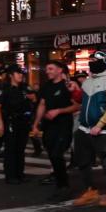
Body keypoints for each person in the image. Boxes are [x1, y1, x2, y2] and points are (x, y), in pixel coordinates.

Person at [72, 51, 106, 207]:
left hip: (104, 131)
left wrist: (100, 125)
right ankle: (91, 191)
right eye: (91, 59)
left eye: (95, 60)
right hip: (84, 129)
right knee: (83, 162)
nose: (91, 62)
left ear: (104, 62)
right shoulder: (87, 82)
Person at [31, 61, 80, 200]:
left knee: (57, 154)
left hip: (63, 126)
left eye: (51, 68)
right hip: (48, 126)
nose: (48, 71)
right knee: (52, 155)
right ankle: (60, 183)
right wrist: (36, 124)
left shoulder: (68, 86)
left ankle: (64, 186)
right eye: (47, 69)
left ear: (60, 70)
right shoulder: (46, 86)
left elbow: (77, 106)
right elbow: (42, 104)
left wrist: (59, 111)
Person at [0, 64, 32, 184]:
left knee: (20, 149)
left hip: (23, 122)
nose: (20, 75)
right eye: (18, 73)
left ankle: (20, 174)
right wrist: (0, 124)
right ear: (11, 75)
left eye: (21, 73)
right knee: (11, 149)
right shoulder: (4, 89)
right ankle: (10, 176)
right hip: (10, 121)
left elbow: (34, 99)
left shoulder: (24, 88)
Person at [25, 87, 44, 158]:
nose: (28, 95)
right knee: (33, 136)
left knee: (36, 136)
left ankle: (39, 149)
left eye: (30, 94)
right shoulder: (27, 102)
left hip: (39, 121)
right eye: (28, 94)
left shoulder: (40, 102)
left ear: (34, 94)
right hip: (30, 121)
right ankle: (38, 149)